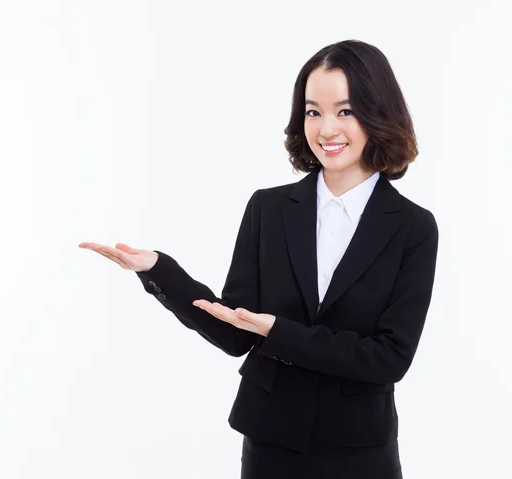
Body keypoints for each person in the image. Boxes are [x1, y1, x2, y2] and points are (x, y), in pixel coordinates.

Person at [79, 39, 439, 479]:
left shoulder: (413, 227)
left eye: (345, 111)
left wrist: (279, 332)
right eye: (313, 111)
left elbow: (389, 358)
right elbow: (235, 330)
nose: (327, 129)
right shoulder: (268, 209)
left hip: (360, 450)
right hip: (272, 443)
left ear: (379, 112)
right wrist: (159, 271)